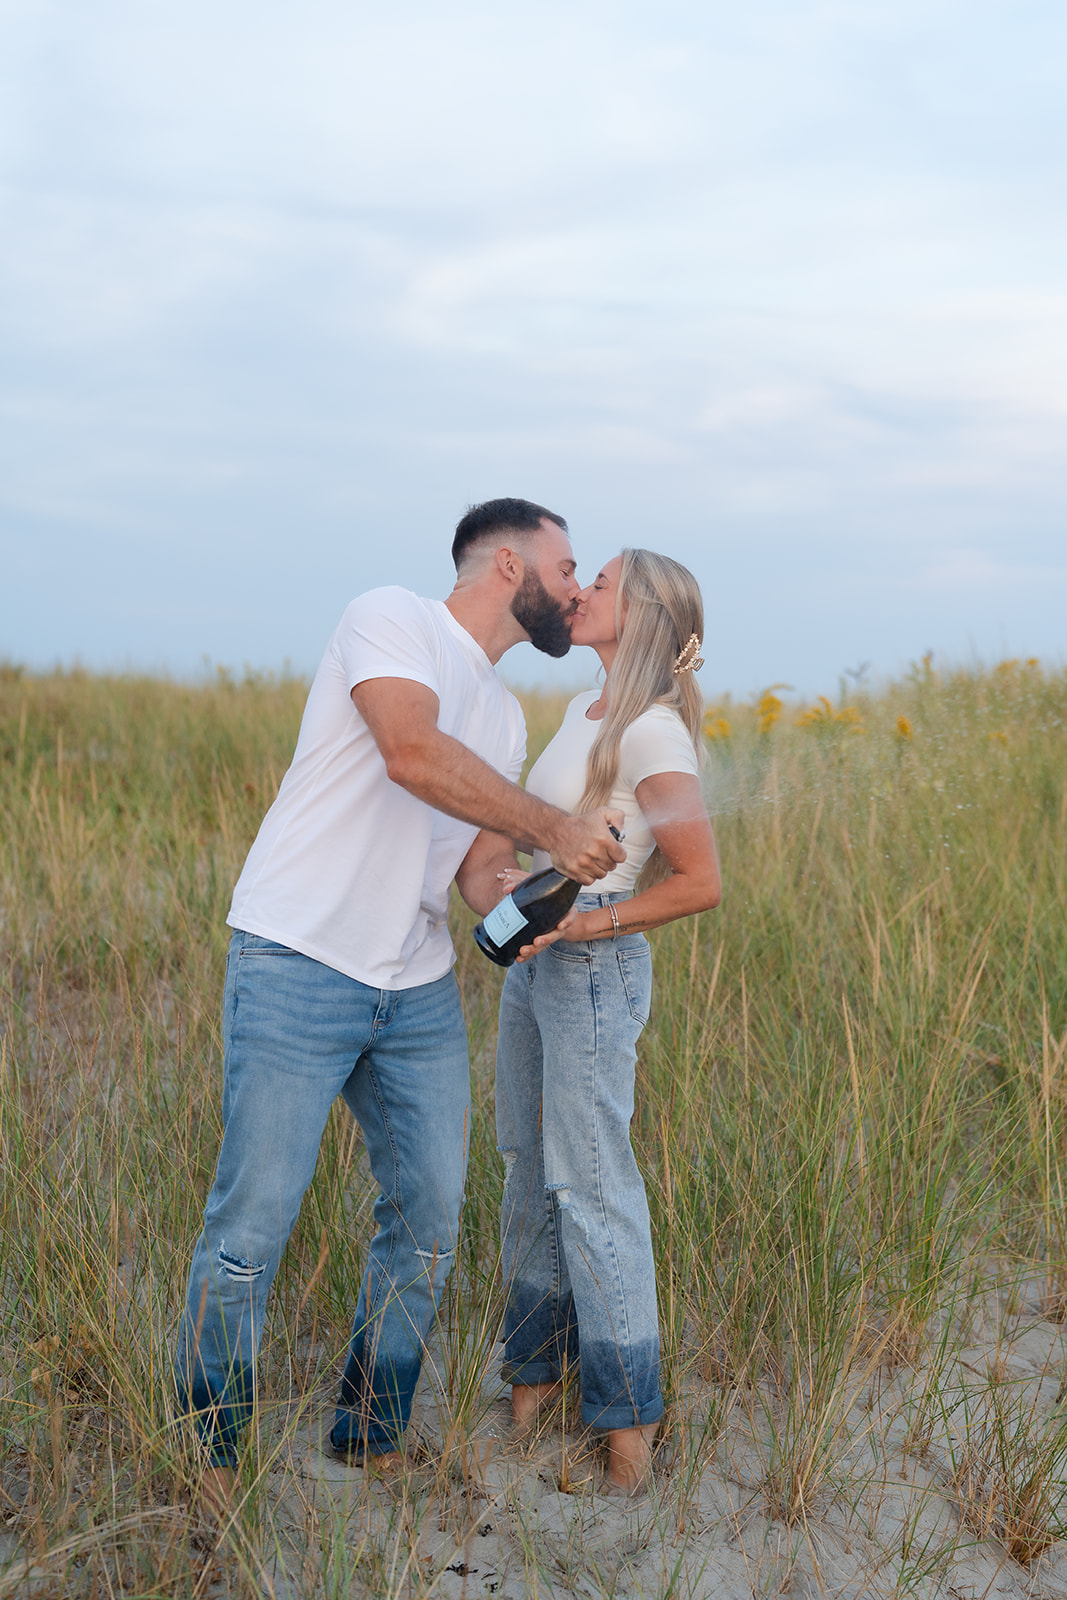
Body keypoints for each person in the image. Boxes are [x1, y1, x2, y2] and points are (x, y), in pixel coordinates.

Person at [173, 498, 626, 1513]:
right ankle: (207, 1458)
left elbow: (475, 868)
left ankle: (368, 1435)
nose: (577, 586)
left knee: (426, 1217)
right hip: (299, 957)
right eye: (567, 566)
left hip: (412, 986)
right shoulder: (391, 617)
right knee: (251, 1225)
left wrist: (541, 896)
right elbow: (409, 754)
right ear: (508, 565)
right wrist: (553, 822)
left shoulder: (506, 715)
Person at [489, 548, 722, 1497]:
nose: (578, 591)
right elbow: (572, 841)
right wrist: (528, 889)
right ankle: (533, 1382)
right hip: (538, 971)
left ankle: (630, 1422)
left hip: (592, 975)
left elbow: (699, 884)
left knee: (592, 1191)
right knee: (526, 1173)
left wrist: (584, 920)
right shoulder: (587, 713)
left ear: (644, 617)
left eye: (601, 583)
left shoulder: (653, 733)